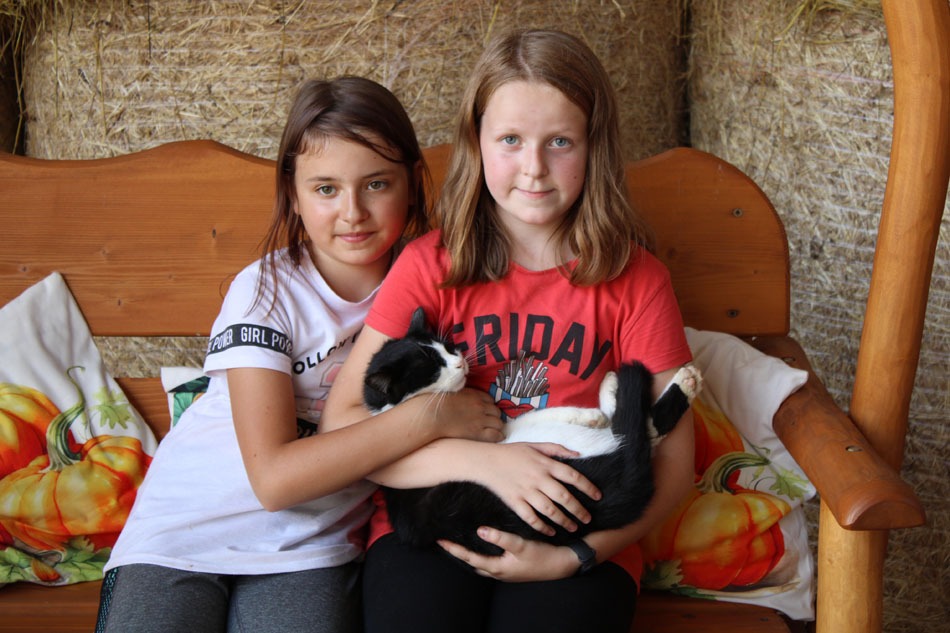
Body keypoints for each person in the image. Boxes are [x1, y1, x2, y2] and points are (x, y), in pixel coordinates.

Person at [98, 76, 504, 633]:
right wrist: (431, 418)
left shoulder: (429, 282)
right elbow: (274, 481)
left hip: (310, 547)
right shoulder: (266, 291)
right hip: (182, 532)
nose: (353, 212)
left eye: (376, 184)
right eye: (326, 189)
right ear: (293, 193)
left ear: (411, 184)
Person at [321, 29, 695, 633]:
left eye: (560, 142)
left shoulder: (637, 280)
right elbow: (344, 428)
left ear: (594, 146)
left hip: (579, 528)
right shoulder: (429, 264)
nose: (534, 168)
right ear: (477, 142)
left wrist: (577, 557)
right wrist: (485, 464)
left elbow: (674, 462)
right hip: (432, 519)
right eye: (511, 140)